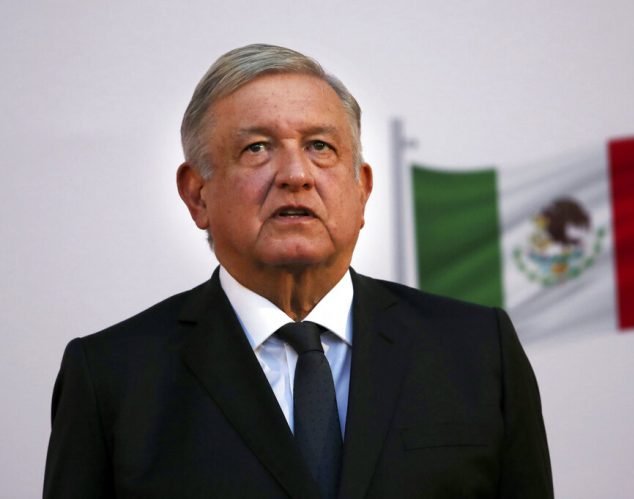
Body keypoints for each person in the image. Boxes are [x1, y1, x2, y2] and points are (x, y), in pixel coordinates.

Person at [43, 44, 553, 498]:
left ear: (362, 190)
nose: (295, 175)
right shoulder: (110, 376)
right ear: (197, 195)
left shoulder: (478, 350)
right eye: (257, 148)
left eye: (320, 147)